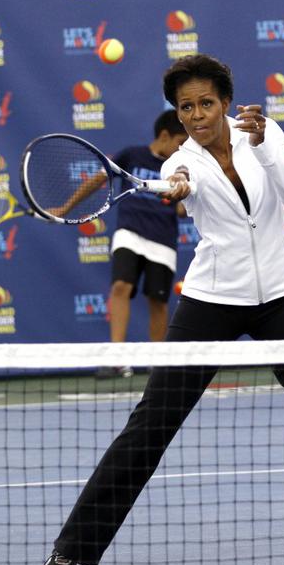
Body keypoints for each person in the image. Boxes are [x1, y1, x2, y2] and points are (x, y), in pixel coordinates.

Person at [42, 54, 284, 565]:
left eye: (206, 103)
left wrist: (266, 145)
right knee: (152, 421)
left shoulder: (265, 135)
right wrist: (180, 185)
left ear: (226, 102)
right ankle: (74, 546)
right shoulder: (179, 163)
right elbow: (182, 183)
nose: (197, 115)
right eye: (186, 107)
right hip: (212, 299)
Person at [97, 111, 187, 378]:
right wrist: (65, 209)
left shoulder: (180, 168)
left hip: (163, 240)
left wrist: (180, 196)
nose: (182, 149)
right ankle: (117, 359)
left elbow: (182, 211)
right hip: (130, 233)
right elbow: (97, 180)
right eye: (180, 142)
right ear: (164, 136)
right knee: (121, 286)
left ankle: (157, 363)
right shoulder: (131, 156)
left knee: (157, 301)